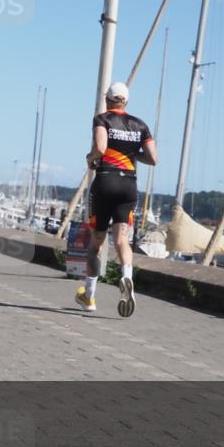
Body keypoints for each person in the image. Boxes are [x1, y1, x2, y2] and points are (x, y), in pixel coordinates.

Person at [75, 82, 157, 317]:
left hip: (105, 182)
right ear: (126, 101)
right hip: (128, 185)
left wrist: (90, 158)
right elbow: (153, 158)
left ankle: (89, 296)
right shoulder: (140, 125)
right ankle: (127, 277)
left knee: (96, 244)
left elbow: (100, 147)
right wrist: (132, 154)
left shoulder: (102, 119)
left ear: (107, 99)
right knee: (122, 239)